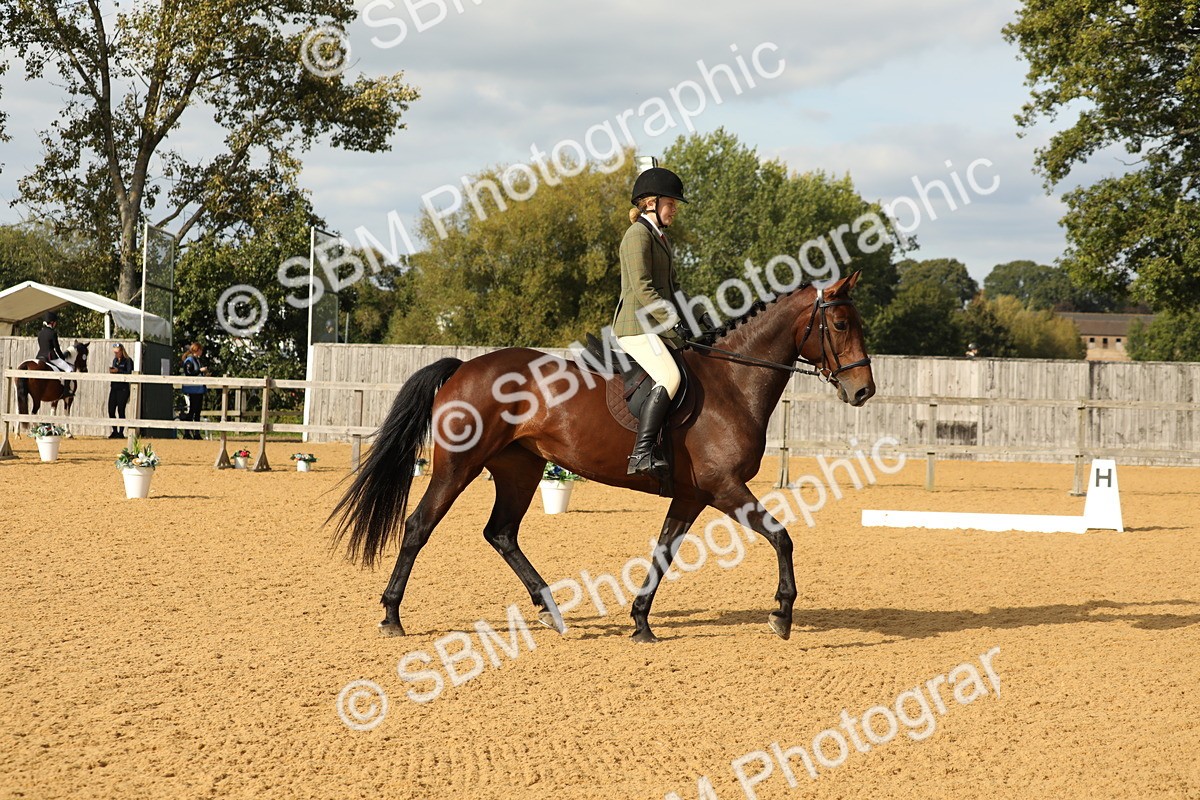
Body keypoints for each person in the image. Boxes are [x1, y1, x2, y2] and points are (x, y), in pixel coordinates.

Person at [611, 166, 715, 478]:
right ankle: (641, 454)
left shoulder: (660, 239)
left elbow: (674, 289)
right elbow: (643, 289)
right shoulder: (637, 236)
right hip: (635, 327)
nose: (675, 210)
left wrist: (700, 316)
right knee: (670, 377)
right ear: (651, 203)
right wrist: (673, 324)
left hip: (653, 325)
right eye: (671, 204)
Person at [36, 310, 75, 396]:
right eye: (55, 323)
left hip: (39, 356)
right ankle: (66, 392)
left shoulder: (40, 333)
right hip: (50, 357)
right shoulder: (53, 333)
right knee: (69, 369)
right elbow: (57, 349)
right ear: (52, 323)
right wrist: (63, 358)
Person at [181, 342, 208, 440]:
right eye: (200, 350)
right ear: (197, 350)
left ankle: (196, 433)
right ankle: (187, 432)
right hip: (193, 388)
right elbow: (189, 373)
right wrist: (200, 371)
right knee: (192, 410)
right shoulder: (189, 360)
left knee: (197, 411)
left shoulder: (197, 360)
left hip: (198, 388)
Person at [108, 343, 134, 438]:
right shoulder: (115, 360)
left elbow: (129, 373)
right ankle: (114, 430)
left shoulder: (128, 360)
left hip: (123, 388)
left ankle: (121, 432)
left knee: (121, 410)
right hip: (114, 387)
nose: (116, 354)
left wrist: (118, 371)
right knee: (111, 409)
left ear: (121, 351)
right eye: (115, 352)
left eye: (117, 352)